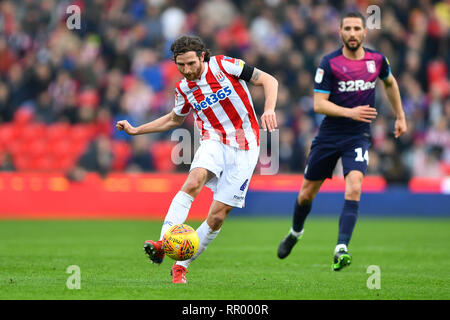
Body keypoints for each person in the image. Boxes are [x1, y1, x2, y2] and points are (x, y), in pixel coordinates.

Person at [116, 35, 278, 283]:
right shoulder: (183, 88)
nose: (187, 70)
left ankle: (181, 266)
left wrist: (268, 108)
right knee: (193, 181)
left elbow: (268, 80)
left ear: (203, 56)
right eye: (181, 65)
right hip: (213, 141)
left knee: (216, 217)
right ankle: (162, 244)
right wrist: (137, 130)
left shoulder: (226, 65)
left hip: (246, 147)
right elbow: (173, 119)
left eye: (191, 63)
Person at [277, 12, 407, 271]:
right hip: (329, 135)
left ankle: (341, 247)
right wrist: (351, 112)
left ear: (364, 32)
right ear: (340, 32)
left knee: (355, 187)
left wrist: (400, 116)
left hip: (358, 136)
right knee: (306, 193)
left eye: (357, 28)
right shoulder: (329, 63)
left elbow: (390, 83)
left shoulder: (377, 60)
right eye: (347, 28)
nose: (352, 33)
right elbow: (318, 104)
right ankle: (295, 232)